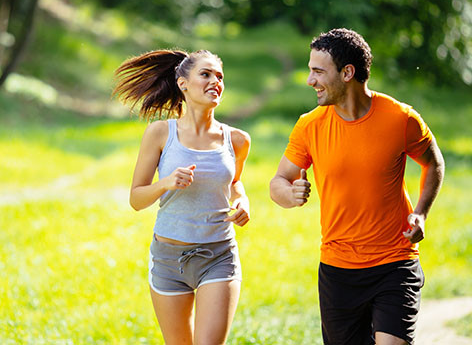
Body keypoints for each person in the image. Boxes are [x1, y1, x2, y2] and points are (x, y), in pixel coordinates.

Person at [269, 28, 445, 345]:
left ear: (347, 72)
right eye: (310, 70)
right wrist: (291, 194)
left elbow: (433, 163)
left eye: (318, 71)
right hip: (338, 269)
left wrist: (421, 213)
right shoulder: (310, 125)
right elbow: (278, 181)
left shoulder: (400, 118)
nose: (310, 80)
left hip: (395, 261)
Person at [113, 49, 251, 345]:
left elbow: (236, 183)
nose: (215, 81)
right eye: (206, 74)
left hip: (218, 255)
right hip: (168, 259)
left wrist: (243, 202)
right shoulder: (161, 133)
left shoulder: (236, 139)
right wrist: (166, 183)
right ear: (182, 83)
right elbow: (136, 199)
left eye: (219, 76)